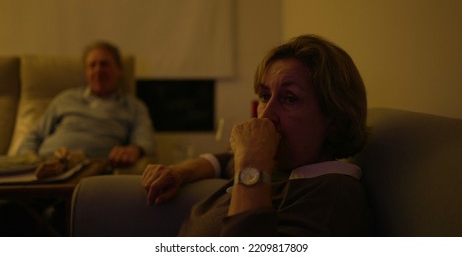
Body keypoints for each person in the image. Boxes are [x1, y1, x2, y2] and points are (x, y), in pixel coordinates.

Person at [141, 34, 370, 236]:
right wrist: (179, 172)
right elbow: (224, 162)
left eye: (290, 98)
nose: (266, 115)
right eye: (264, 95)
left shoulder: (332, 197)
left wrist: (252, 159)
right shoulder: (279, 165)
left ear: (335, 121)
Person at [17, 41, 156, 167]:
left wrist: (134, 150)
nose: (97, 70)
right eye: (92, 65)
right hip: (44, 164)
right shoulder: (65, 98)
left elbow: (145, 142)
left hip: (90, 170)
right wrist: (28, 162)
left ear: (119, 70)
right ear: (86, 73)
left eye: (104, 64)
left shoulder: (134, 106)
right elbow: (34, 136)